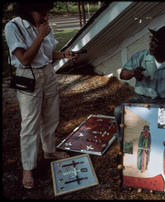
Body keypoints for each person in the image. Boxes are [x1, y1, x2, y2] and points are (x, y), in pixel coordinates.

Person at [4, 2, 78, 189]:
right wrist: (39, 36)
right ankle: (28, 167)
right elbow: (25, 58)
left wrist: (64, 55)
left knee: (51, 116)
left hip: (48, 73)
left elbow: (47, 54)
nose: (46, 17)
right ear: (28, 9)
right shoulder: (14, 27)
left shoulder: (44, 26)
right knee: (30, 123)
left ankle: (49, 150)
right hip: (28, 76)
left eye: (48, 12)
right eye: (42, 13)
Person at [114, 26, 165, 144]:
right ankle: (123, 145)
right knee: (119, 111)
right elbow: (123, 75)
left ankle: (156, 147)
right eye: (152, 39)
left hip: (162, 103)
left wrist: (152, 112)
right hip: (139, 99)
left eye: (156, 42)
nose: (151, 44)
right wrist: (133, 72)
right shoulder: (141, 56)